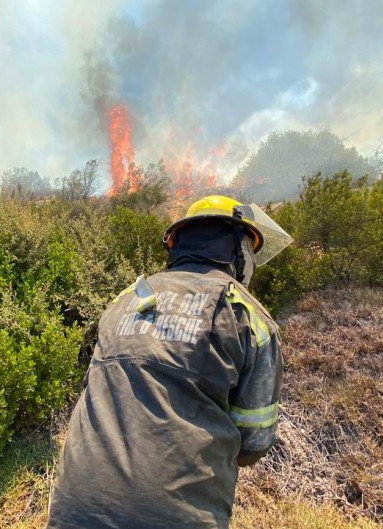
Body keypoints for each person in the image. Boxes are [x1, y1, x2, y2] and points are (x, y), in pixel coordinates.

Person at [46, 195, 289, 529]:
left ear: (180, 243)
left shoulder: (127, 298)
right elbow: (254, 442)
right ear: (236, 249)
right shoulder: (247, 315)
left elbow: (96, 388)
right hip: (174, 517)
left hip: (74, 508)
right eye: (249, 249)